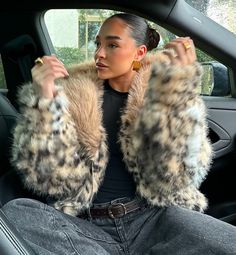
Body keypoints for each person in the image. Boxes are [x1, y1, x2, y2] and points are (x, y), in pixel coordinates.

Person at [2, 12, 236, 255]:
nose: (99, 53)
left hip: (152, 219)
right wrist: (45, 101)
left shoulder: (162, 93)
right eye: (98, 43)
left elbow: (178, 176)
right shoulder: (71, 96)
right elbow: (45, 178)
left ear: (140, 52)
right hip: (86, 226)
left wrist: (177, 96)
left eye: (112, 45)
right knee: (18, 211)